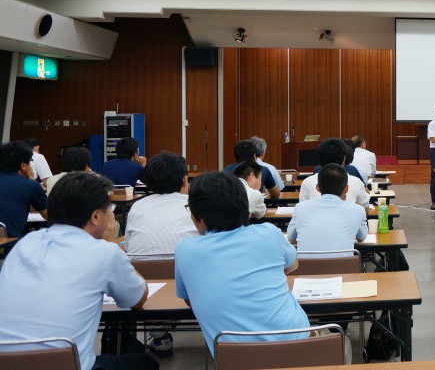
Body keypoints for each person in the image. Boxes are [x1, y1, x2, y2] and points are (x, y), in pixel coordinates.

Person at [0, 172, 156, 370]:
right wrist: (110, 242)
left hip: (7, 362)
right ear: (96, 216)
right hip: (68, 364)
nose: (111, 215)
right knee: (145, 363)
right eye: (110, 209)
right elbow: (138, 298)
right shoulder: (104, 253)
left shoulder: (23, 245)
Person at [175, 172, 311, 354]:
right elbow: (292, 265)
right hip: (300, 347)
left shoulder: (185, 249)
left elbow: (189, 299)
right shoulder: (269, 233)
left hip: (234, 357)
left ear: (199, 217)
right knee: (342, 345)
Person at [123, 151, 198, 357]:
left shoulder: (137, 207)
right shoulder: (194, 203)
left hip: (146, 287)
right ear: (184, 179)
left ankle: (159, 334)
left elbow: (129, 249)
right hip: (191, 285)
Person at [287, 163, 367, 255]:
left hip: (306, 268)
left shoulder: (300, 208)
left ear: (317, 187)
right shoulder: (358, 210)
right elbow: (361, 238)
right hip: (344, 268)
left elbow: (292, 239)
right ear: (346, 189)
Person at [300, 138, 370, 208]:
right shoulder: (356, 182)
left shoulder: (307, 182)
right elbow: (365, 206)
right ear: (344, 160)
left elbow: (303, 207)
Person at [0, 141, 48, 237]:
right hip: (9, 243)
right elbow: (50, 215)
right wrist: (31, 181)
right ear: (23, 165)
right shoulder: (30, 186)